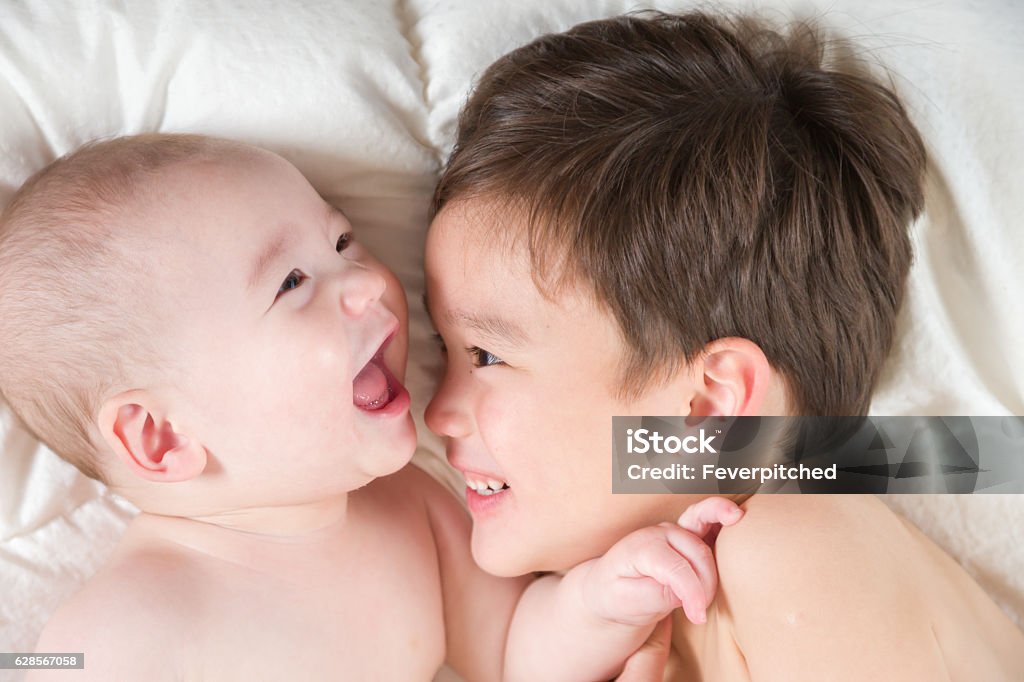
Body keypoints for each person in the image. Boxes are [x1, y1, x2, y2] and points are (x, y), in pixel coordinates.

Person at [0, 133, 742, 681]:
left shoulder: (413, 511)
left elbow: (516, 654)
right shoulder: (120, 634)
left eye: (343, 241)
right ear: (160, 437)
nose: (366, 283)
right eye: (291, 282)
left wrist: (602, 601)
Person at [424, 11, 1024, 680]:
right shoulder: (595, 618)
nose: (436, 411)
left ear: (708, 404)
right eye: (445, 351)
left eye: (487, 356)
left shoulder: (793, 550)